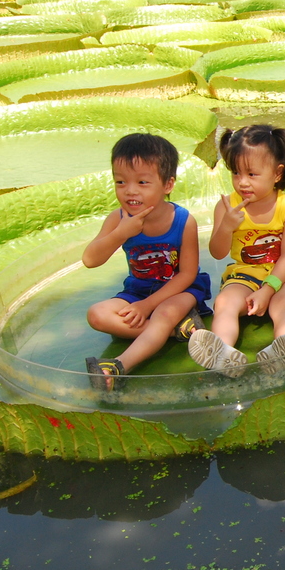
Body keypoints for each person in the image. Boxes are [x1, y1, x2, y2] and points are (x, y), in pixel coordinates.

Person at [81, 133, 212, 390]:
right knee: (97, 315)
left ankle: (117, 366)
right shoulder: (118, 219)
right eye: (120, 181)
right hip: (137, 290)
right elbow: (89, 259)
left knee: (163, 313)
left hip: (181, 290)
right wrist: (121, 233)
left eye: (142, 182)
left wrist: (146, 306)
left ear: (168, 184)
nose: (130, 191)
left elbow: (187, 274)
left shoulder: (184, 221)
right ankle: (177, 330)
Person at [188, 124, 285, 377]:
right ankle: (222, 351)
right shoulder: (227, 206)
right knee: (225, 302)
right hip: (244, 273)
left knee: (284, 305)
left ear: (277, 173)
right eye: (235, 173)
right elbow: (218, 252)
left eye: (252, 174)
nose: (242, 182)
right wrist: (226, 226)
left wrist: (267, 290)